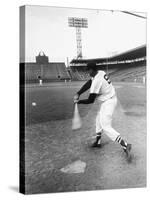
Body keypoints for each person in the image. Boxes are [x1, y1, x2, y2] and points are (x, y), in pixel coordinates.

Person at [74, 63, 132, 159]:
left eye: (88, 70)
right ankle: (98, 141)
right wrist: (78, 93)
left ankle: (125, 145)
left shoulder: (97, 80)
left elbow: (90, 100)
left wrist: (78, 102)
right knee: (98, 120)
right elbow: (89, 82)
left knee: (106, 126)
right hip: (108, 99)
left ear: (92, 70)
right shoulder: (100, 72)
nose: (87, 72)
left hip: (108, 102)